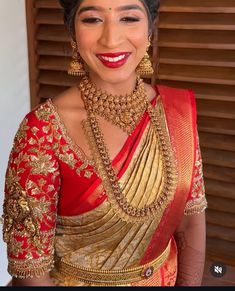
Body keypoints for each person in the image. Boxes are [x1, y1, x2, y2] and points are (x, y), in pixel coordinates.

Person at [1, 0, 208, 286]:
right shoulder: (43, 129)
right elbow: (31, 268)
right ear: (72, 31)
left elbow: (191, 218)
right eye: (92, 20)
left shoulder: (177, 114)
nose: (111, 39)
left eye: (129, 18)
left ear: (150, 26)